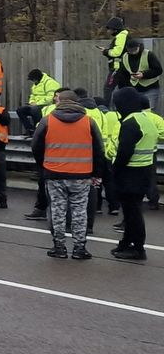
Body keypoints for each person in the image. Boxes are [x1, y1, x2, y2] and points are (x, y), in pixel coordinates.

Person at [31, 89, 106, 260]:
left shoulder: (47, 120)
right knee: (80, 211)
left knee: (57, 210)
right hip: (81, 174)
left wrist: (44, 165)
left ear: (60, 102)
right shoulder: (89, 121)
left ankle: (59, 247)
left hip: (54, 173)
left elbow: (36, 146)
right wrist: (96, 173)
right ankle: (79, 248)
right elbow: (99, 150)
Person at [111, 87, 155, 261]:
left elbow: (124, 152)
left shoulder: (130, 123)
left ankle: (137, 248)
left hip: (130, 173)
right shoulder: (144, 119)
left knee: (132, 214)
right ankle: (127, 243)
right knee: (132, 212)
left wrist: (115, 170)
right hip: (143, 171)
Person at [117, 39, 162, 113]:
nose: (133, 52)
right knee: (134, 112)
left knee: (149, 112)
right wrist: (123, 90)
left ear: (139, 47)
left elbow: (158, 70)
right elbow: (122, 74)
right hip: (133, 89)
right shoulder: (125, 57)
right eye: (130, 50)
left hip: (150, 88)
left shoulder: (149, 54)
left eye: (135, 50)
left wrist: (143, 74)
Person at [17, 68, 60, 136]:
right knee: (20, 110)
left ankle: (38, 130)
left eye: (33, 80)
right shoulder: (36, 84)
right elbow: (32, 95)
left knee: (35, 110)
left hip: (48, 106)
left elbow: (51, 98)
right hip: (36, 105)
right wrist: (31, 102)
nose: (32, 82)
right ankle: (30, 129)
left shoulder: (50, 83)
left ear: (36, 78)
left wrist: (37, 104)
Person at [99, 16, 130, 103]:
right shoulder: (123, 36)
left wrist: (106, 51)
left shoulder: (121, 36)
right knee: (124, 90)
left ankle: (105, 109)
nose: (108, 31)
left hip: (117, 68)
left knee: (108, 88)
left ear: (115, 29)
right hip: (122, 68)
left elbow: (117, 52)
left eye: (109, 29)